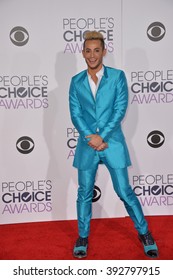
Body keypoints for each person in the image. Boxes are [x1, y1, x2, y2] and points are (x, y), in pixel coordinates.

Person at [69, 31, 158, 259]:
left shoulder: (117, 77)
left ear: (104, 51)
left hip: (113, 143)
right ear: (83, 52)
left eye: (96, 50)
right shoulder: (75, 81)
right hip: (87, 144)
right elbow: (75, 114)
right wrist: (91, 137)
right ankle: (82, 237)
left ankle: (145, 233)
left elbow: (120, 110)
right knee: (84, 193)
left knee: (124, 191)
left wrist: (102, 136)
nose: (92, 55)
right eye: (88, 50)